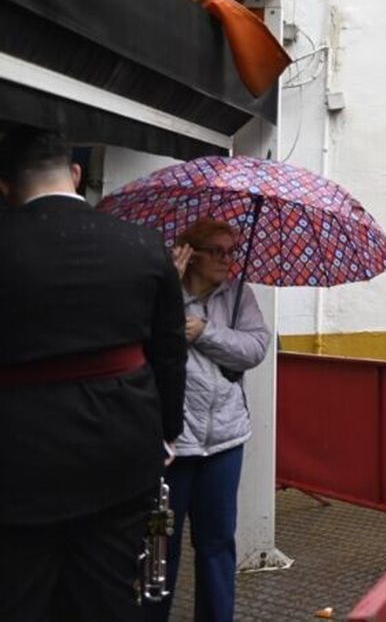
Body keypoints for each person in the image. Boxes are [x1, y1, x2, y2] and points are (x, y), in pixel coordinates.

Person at [0, 126, 185, 620]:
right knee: (106, 596)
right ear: (77, 175)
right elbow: (168, 352)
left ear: (5, 185)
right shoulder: (143, 244)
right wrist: (166, 431)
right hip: (121, 448)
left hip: (17, 457)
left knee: (19, 596)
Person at [146, 218, 271, 621]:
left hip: (224, 441)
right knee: (160, 544)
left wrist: (205, 332)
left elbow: (254, 349)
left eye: (231, 251)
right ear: (190, 251)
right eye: (215, 250)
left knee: (218, 544)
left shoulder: (238, 296)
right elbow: (143, 347)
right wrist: (169, 289)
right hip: (171, 444)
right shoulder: (159, 290)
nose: (225, 259)